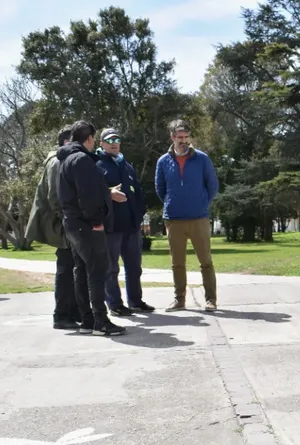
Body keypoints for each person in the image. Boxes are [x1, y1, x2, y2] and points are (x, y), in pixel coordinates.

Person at [56, 119, 126, 336]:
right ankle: (100, 321)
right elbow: (88, 196)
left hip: (72, 224)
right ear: (89, 139)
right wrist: (96, 221)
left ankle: (87, 320)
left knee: (82, 271)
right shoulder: (81, 161)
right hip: (86, 225)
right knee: (97, 271)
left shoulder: (65, 160)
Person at [154, 118, 219, 312]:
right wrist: (171, 203)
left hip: (199, 218)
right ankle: (179, 300)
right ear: (172, 137)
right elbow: (160, 187)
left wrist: (201, 203)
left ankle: (211, 300)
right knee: (177, 263)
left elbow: (212, 185)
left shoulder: (202, 158)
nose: (184, 140)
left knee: (206, 261)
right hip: (174, 220)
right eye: (180, 137)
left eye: (186, 137)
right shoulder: (163, 161)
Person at [25, 126, 81, 329]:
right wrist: (67, 222)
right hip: (61, 225)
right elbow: (55, 198)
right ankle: (62, 315)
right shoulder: (58, 161)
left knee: (73, 268)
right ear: (67, 142)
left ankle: (73, 310)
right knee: (66, 270)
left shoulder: (64, 160)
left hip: (64, 222)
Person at [95, 127, 154, 316]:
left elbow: (137, 192)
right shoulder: (96, 164)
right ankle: (115, 304)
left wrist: (139, 214)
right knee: (111, 268)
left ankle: (135, 302)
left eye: (116, 140)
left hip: (131, 225)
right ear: (101, 144)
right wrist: (108, 194)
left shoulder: (126, 165)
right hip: (111, 226)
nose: (114, 143)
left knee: (134, 267)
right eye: (109, 141)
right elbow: (90, 193)